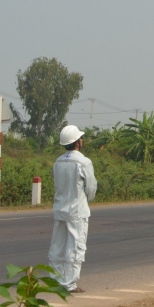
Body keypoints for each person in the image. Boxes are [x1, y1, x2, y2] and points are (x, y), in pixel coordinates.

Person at [49, 125, 97, 293]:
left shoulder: (58, 161)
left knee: (58, 246)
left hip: (60, 209)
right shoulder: (83, 162)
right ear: (77, 142)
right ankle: (69, 284)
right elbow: (91, 188)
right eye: (80, 138)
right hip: (77, 211)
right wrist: (86, 200)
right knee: (75, 247)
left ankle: (54, 280)